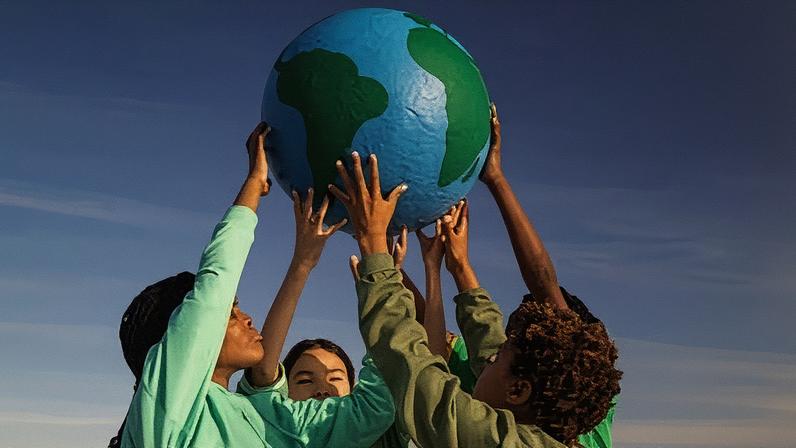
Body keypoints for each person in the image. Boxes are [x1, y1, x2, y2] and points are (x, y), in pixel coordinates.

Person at [110, 123, 394, 448]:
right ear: (180, 337)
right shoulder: (167, 407)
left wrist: (380, 273)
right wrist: (253, 187)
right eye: (229, 314)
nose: (246, 317)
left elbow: (371, 410)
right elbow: (212, 290)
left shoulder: (260, 416)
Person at [332, 148, 621, 447]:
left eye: (497, 359)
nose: (486, 359)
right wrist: (460, 269)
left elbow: (417, 380)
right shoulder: (550, 414)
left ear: (518, 391)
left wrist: (375, 247)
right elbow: (490, 345)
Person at [478, 104, 619, 447]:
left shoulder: (561, 393)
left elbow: (545, 285)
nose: (493, 356)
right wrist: (495, 178)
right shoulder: (575, 404)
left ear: (519, 388)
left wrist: (496, 179)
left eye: (504, 350)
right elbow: (544, 287)